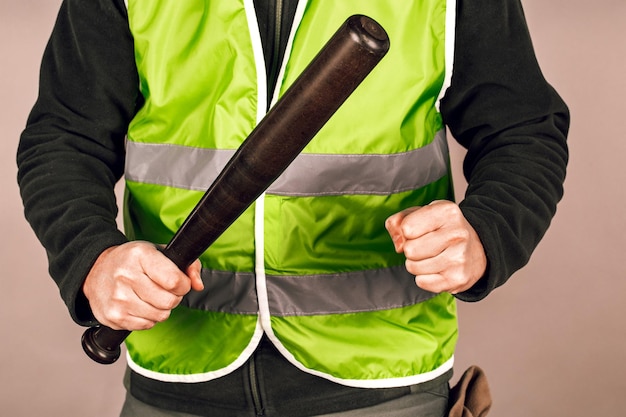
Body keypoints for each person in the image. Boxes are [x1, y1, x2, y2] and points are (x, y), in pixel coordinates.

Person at [16, 0, 569, 416]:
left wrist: (486, 234)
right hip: (174, 383)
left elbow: (524, 129)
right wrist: (91, 257)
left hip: (384, 385)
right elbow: (64, 135)